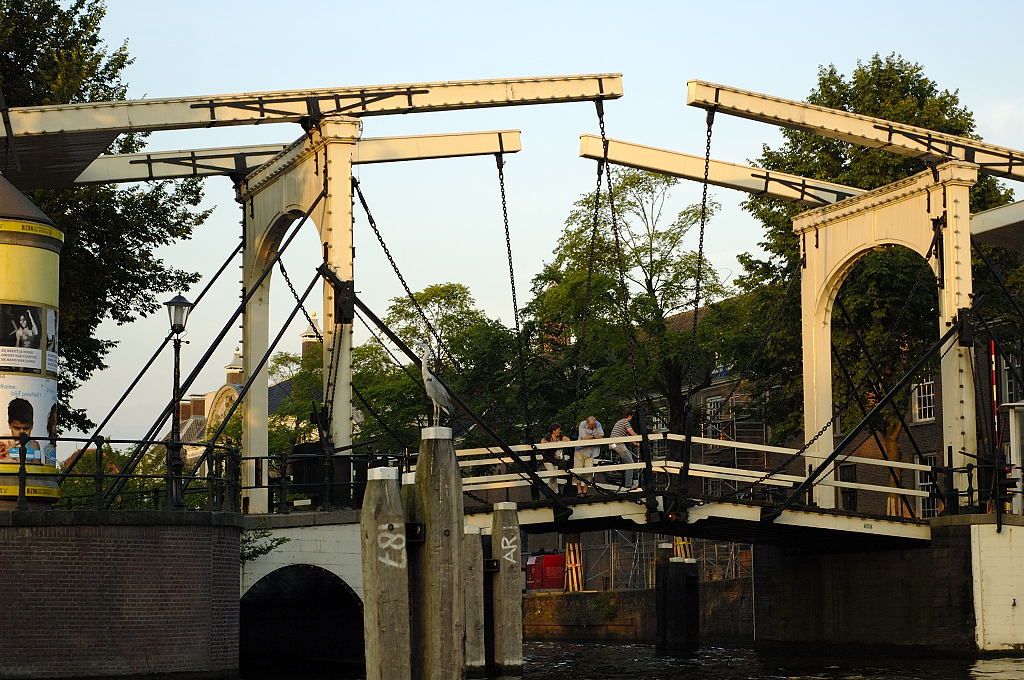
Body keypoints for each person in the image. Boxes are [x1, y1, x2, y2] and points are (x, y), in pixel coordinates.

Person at [0, 398, 41, 463]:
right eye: (17, 428)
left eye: (26, 428)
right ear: (9, 424)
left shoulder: (33, 445)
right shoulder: (3, 442)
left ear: (32, 426)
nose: (21, 433)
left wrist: (15, 456)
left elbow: (37, 470)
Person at [609, 409, 640, 489]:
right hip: (618, 444)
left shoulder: (619, 422)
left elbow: (627, 436)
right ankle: (628, 484)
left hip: (613, 444)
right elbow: (631, 432)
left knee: (625, 461)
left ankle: (621, 476)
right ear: (630, 416)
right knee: (630, 463)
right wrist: (640, 438)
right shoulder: (626, 422)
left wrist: (635, 443)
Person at [575, 416, 604, 496]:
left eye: (594, 425)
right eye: (591, 425)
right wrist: (594, 436)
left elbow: (601, 435)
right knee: (578, 471)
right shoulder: (582, 424)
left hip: (591, 452)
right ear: (587, 423)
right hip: (580, 451)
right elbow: (583, 438)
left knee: (589, 471)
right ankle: (579, 491)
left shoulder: (598, 424)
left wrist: (591, 437)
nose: (593, 427)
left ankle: (585, 490)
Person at [539, 423, 570, 493]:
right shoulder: (548, 436)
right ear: (554, 431)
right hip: (548, 459)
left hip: (556, 460)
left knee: (554, 476)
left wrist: (560, 442)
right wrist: (551, 444)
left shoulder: (560, 437)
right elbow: (542, 441)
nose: (560, 431)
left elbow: (567, 439)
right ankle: (553, 491)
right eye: (558, 430)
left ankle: (552, 491)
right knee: (553, 474)